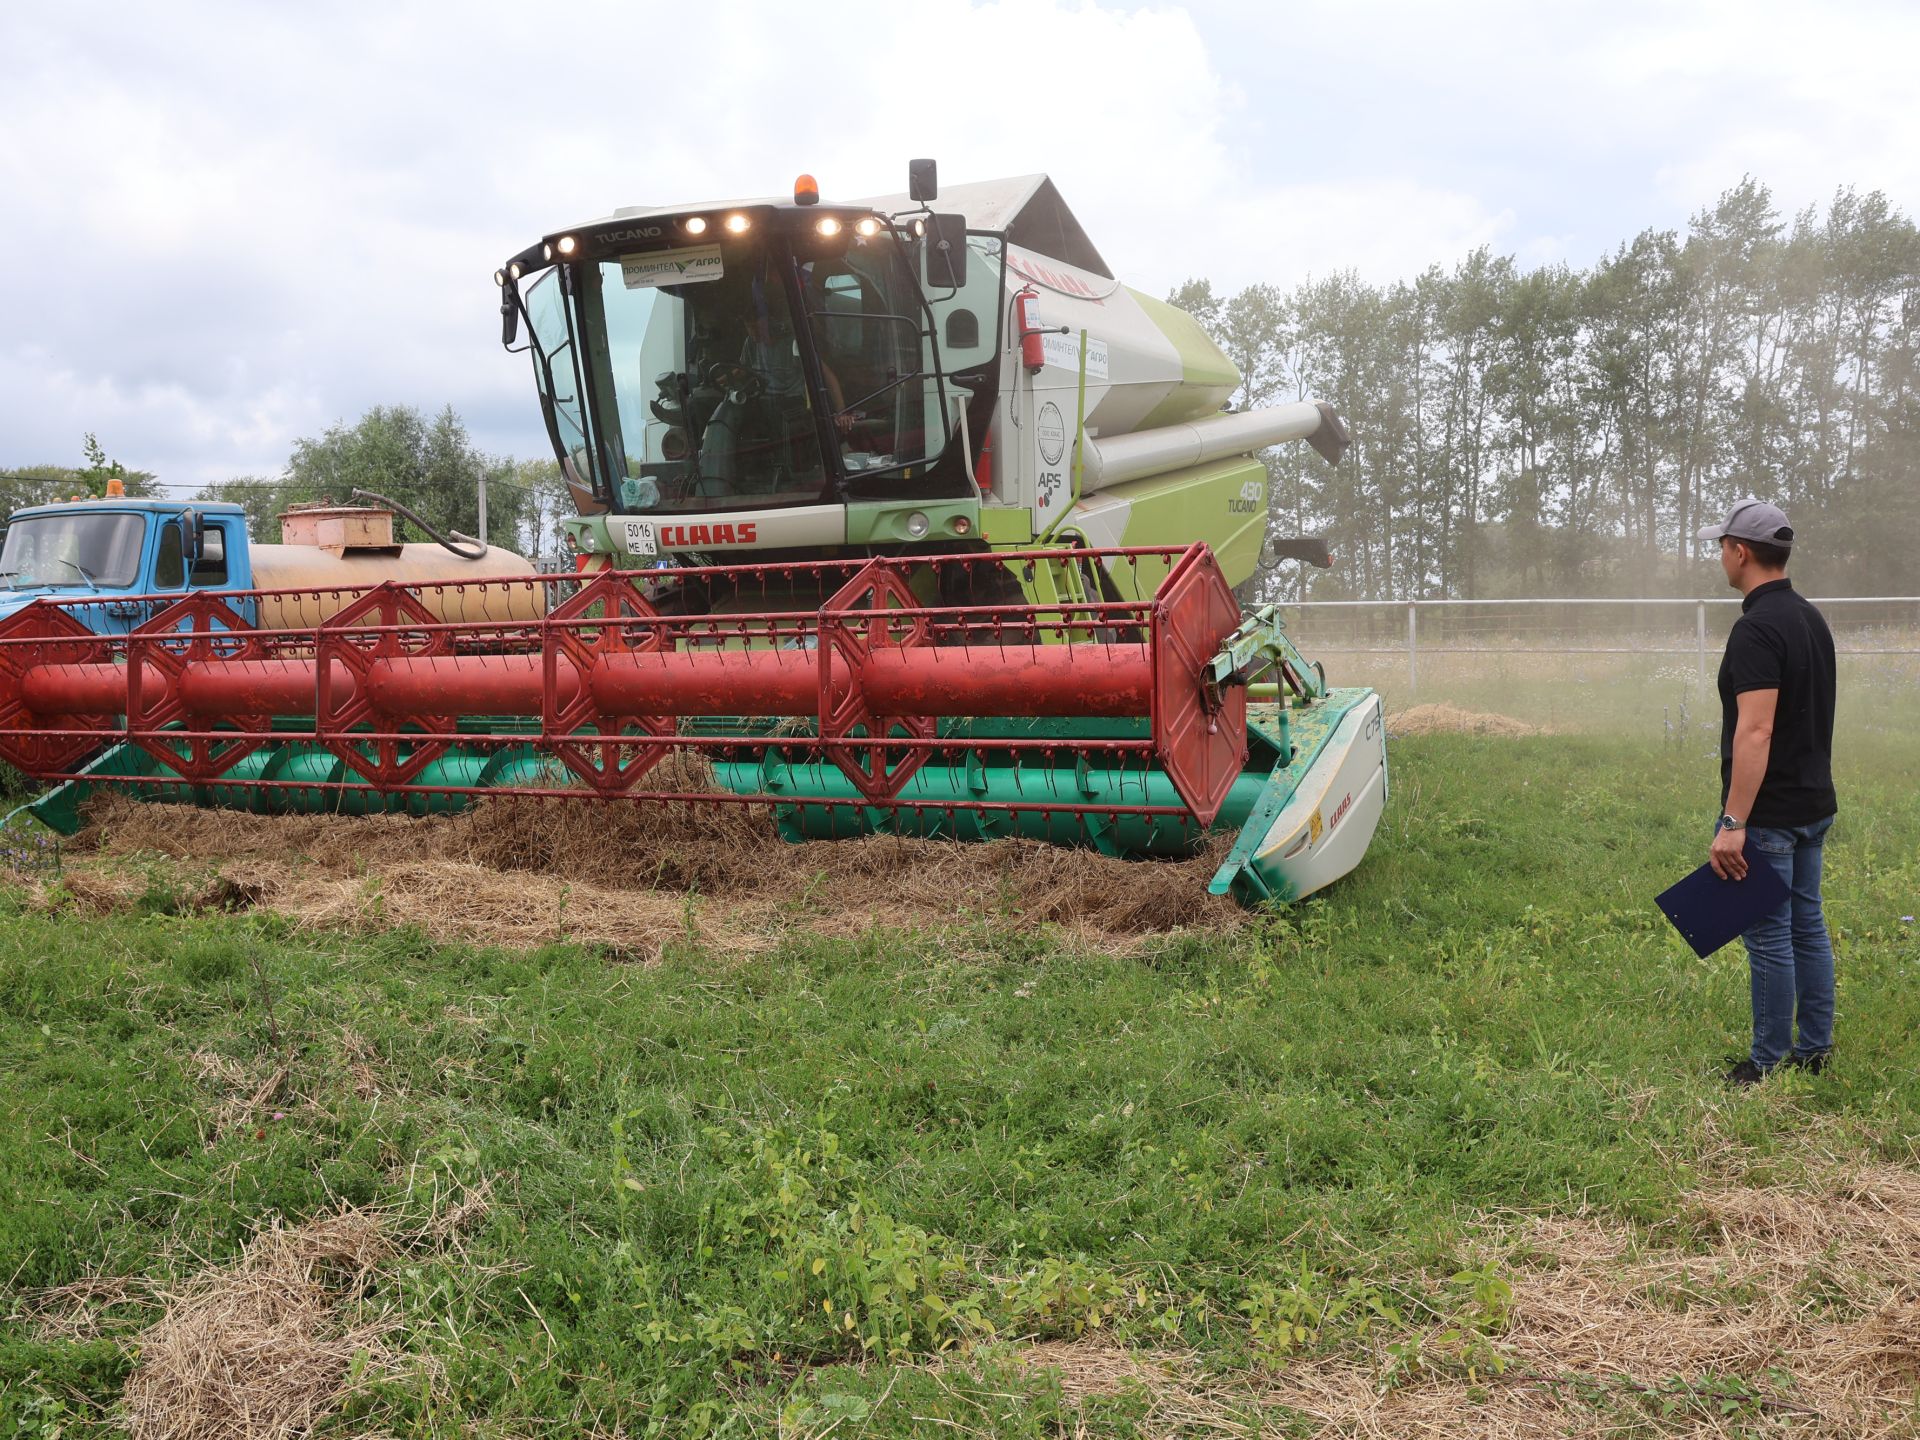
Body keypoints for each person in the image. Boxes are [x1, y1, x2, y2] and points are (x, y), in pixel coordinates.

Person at [1698, 497, 1838, 1086]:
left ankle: (1766, 1061)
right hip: (1813, 802)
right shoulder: (1810, 617)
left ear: (1741, 551)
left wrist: (1734, 823)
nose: (1720, 556)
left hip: (1772, 812)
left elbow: (1757, 728)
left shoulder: (1756, 628)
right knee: (1807, 923)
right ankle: (1814, 1047)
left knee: (1769, 934)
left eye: (1721, 546)